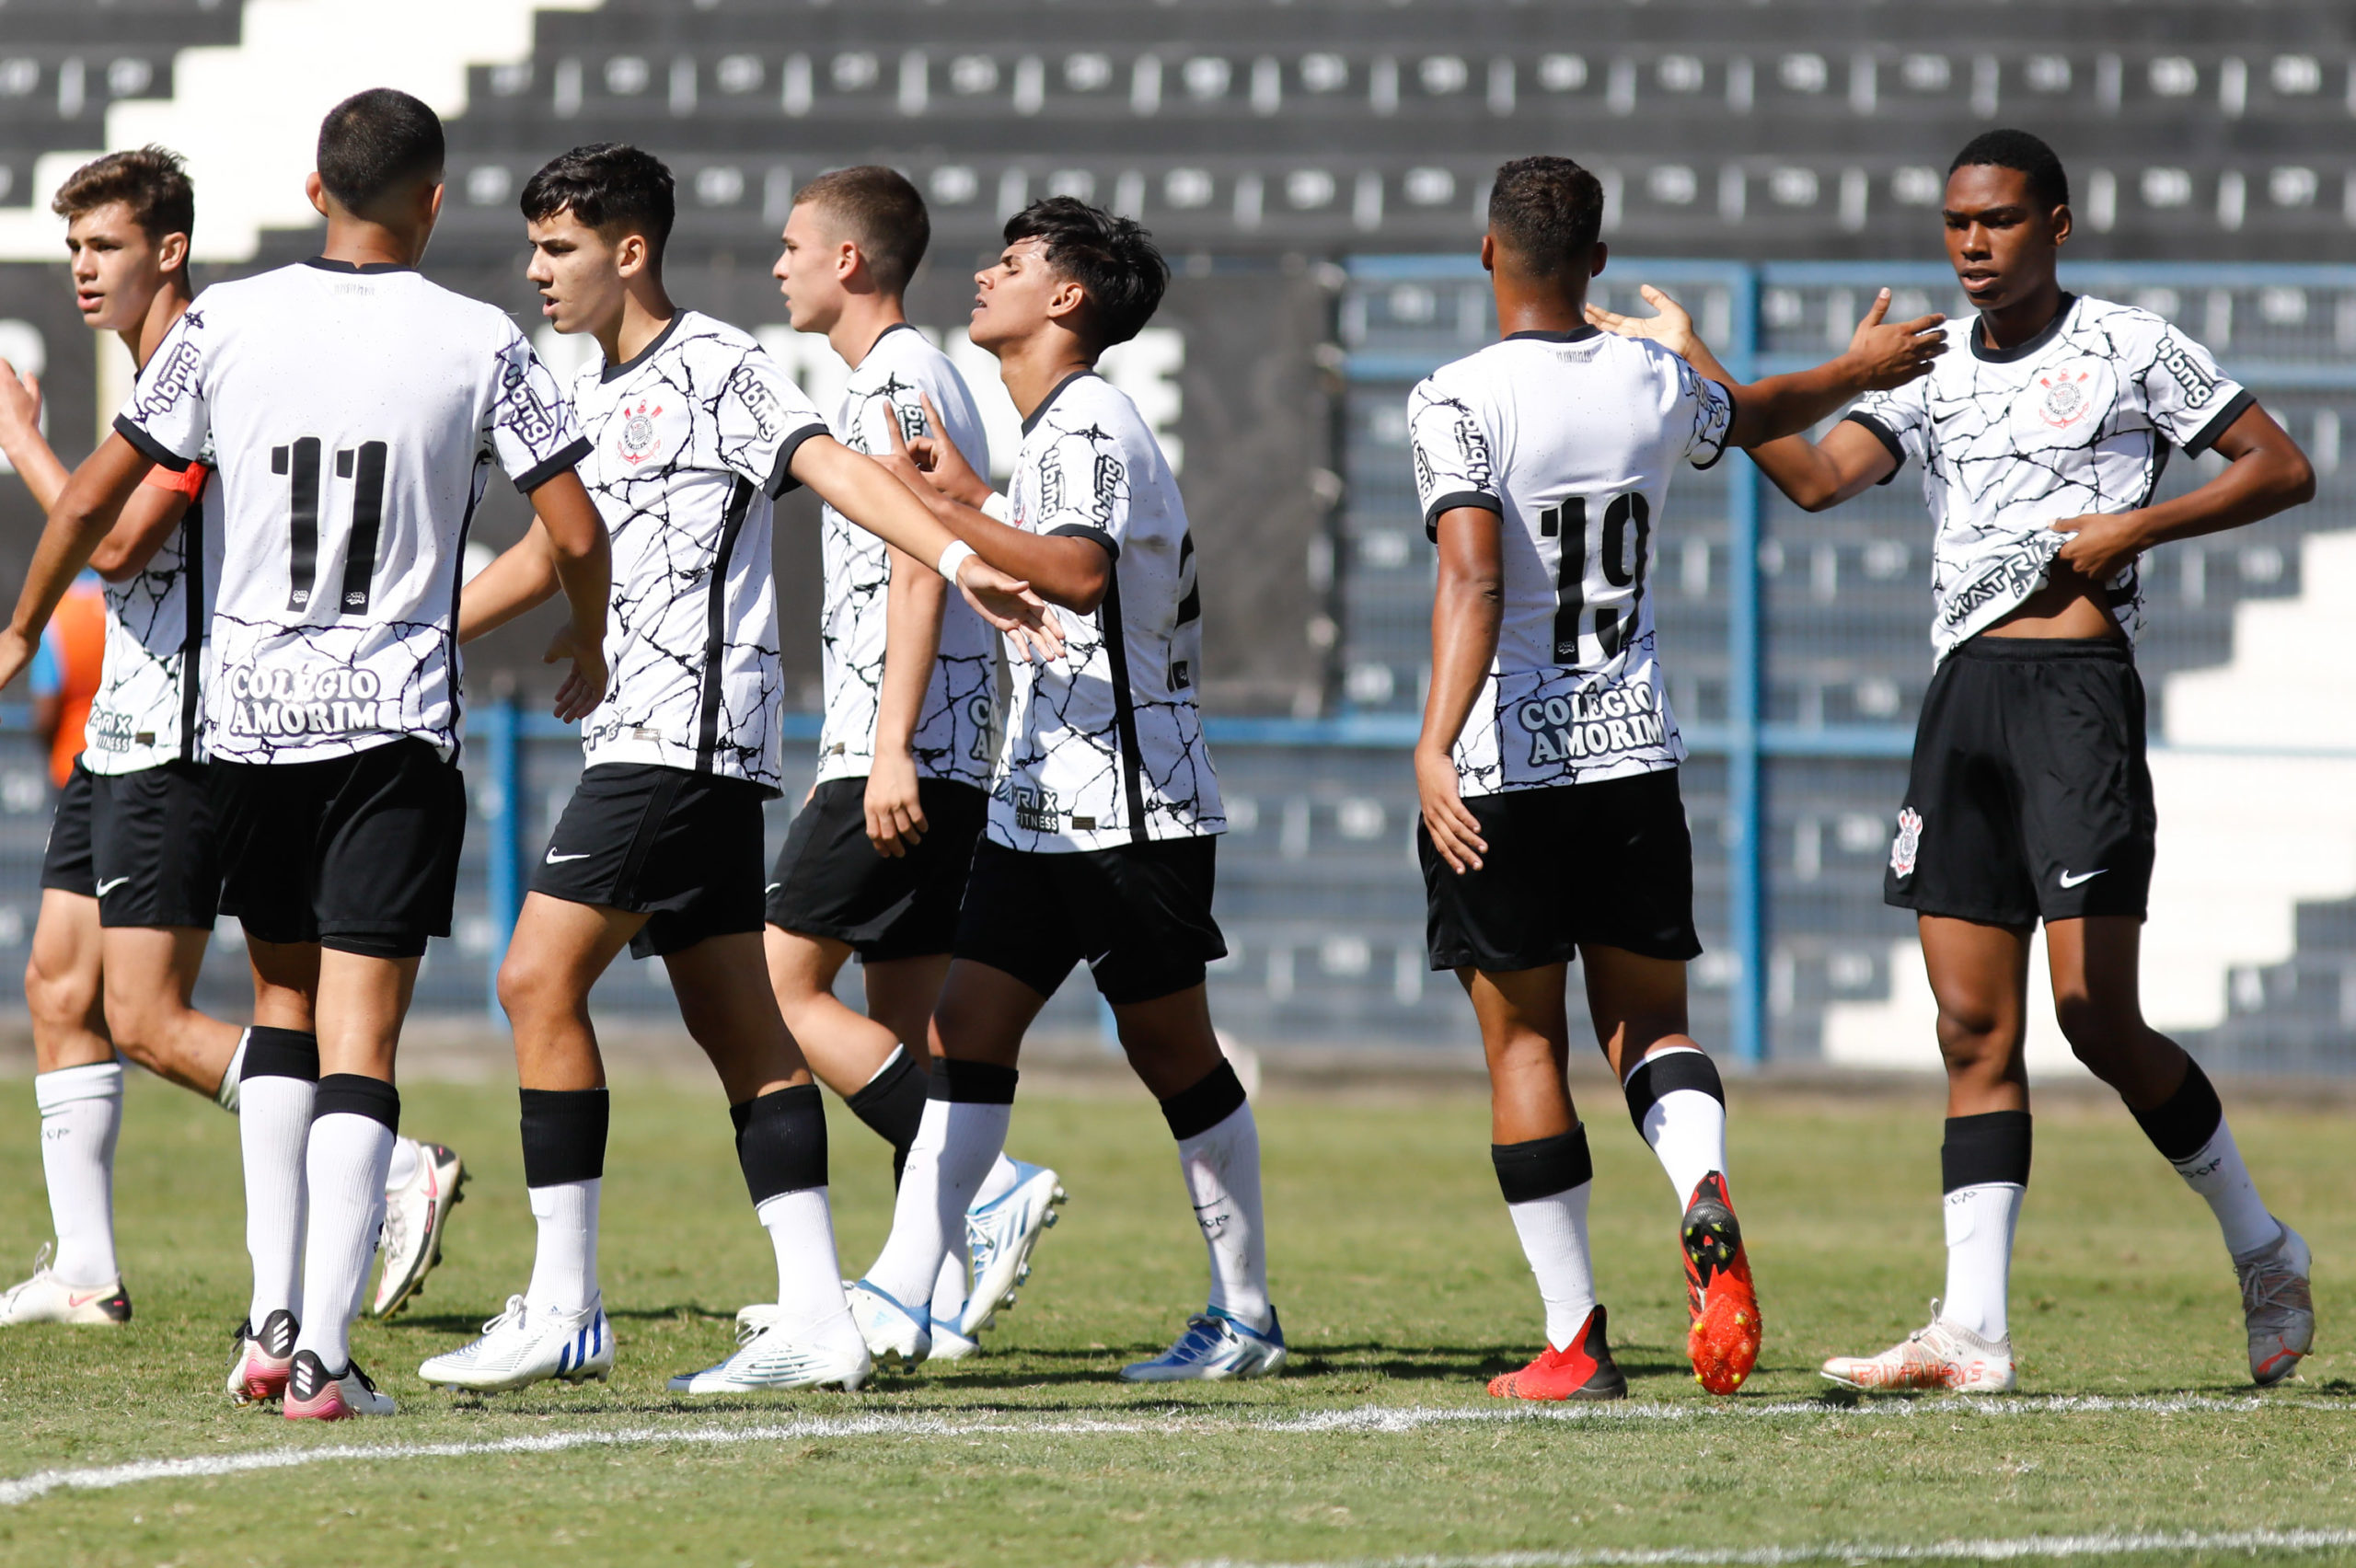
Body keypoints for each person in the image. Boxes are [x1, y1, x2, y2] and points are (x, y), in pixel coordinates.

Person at [1590, 129, 2319, 1391]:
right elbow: (1815, 478)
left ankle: (2263, 1247)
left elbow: (2283, 467)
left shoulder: (2133, 347)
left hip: (2077, 700)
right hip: (1962, 700)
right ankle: (1972, 1332)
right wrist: (1698, 365)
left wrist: (2142, 523)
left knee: (2094, 1016)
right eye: (1955, 225)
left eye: (1998, 221)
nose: (1973, 246)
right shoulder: (1929, 371)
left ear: (2058, 225)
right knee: (1971, 1026)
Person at [0, 90, 614, 1420]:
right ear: (434, 202)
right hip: (389, 730)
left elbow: (102, 496)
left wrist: (21, 623)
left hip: (247, 731)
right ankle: (323, 1358)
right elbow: (571, 524)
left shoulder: (225, 318)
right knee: (360, 1044)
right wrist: (594, 638)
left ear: (315, 186)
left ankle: (274, 1323)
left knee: (279, 1012)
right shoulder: (478, 337)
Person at [423, 144, 1057, 1397]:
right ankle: (823, 1315)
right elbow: (558, 550)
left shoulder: (717, 365)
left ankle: (563, 1306)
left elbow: (835, 468)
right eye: (535, 247)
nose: (537, 272)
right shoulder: (582, 394)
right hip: (655, 740)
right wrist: (412, 632)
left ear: (629, 251)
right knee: (749, 1035)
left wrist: (959, 550)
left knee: (533, 979)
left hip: (687, 740)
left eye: (558, 249)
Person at [1411, 155, 1946, 1401]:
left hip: (1503, 767)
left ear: (1487, 251)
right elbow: (1757, 412)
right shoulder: (1656, 378)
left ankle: (1574, 1342)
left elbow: (1475, 581)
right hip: (1632, 756)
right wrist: (1855, 374)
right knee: (1651, 1025)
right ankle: (1700, 1187)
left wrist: (1435, 743)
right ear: (1597, 261)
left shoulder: (1453, 396)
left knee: (1526, 1048)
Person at [0, 146, 462, 1333]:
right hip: (121, 727)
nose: (82, 270)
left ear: (168, 250)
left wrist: (18, 437)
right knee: (59, 983)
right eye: (73, 249)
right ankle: (89, 1272)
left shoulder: (225, 364)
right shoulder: (168, 367)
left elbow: (118, 545)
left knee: (147, 1015)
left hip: (192, 736)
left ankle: (390, 1160)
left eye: (103, 247)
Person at [844, 197, 1277, 1383]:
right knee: (965, 1033)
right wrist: (977, 496)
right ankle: (899, 1294)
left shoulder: (1087, 422)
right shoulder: (1054, 432)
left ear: (1068, 300)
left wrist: (937, 509)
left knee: (1173, 1054)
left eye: (1014, 263)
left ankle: (1244, 1315)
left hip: (1129, 811)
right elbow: (1069, 547)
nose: (986, 275)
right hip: (1050, 806)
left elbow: (1081, 575)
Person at [765, 164, 1064, 1363]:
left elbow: (918, 560)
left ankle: (989, 1195)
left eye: (792, 246)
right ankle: (922, 1302)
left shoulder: (897, 379)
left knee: (777, 990)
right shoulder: (899, 377)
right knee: (906, 1021)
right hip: (933, 747)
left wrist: (886, 749)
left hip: (904, 748)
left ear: (848, 261)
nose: (776, 266)